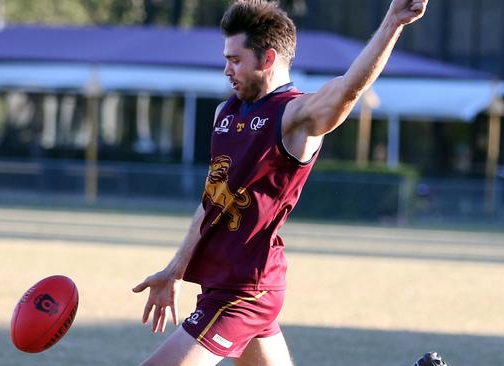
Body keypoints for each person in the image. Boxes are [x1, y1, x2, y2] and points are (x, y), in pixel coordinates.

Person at [132, 0, 428, 365]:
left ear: (268, 59)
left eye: (236, 60)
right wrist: (175, 270)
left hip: (244, 291)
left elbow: (348, 89)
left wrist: (392, 23)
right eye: (226, 59)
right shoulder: (225, 113)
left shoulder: (296, 115)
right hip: (223, 284)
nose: (226, 69)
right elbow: (213, 202)